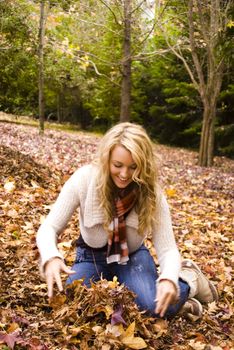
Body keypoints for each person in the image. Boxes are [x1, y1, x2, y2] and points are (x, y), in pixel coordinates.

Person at [36, 122, 218, 319]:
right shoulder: (84, 179)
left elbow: (167, 250)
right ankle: (182, 305)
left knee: (150, 307)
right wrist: (51, 256)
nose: (124, 174)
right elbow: (49, 227)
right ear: (106, 159)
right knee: (73, 302)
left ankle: (189, 279)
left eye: (133, 167)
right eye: (118, 165)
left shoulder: (152, 194)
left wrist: (169, 279)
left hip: (132, 257)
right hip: (90, 257)